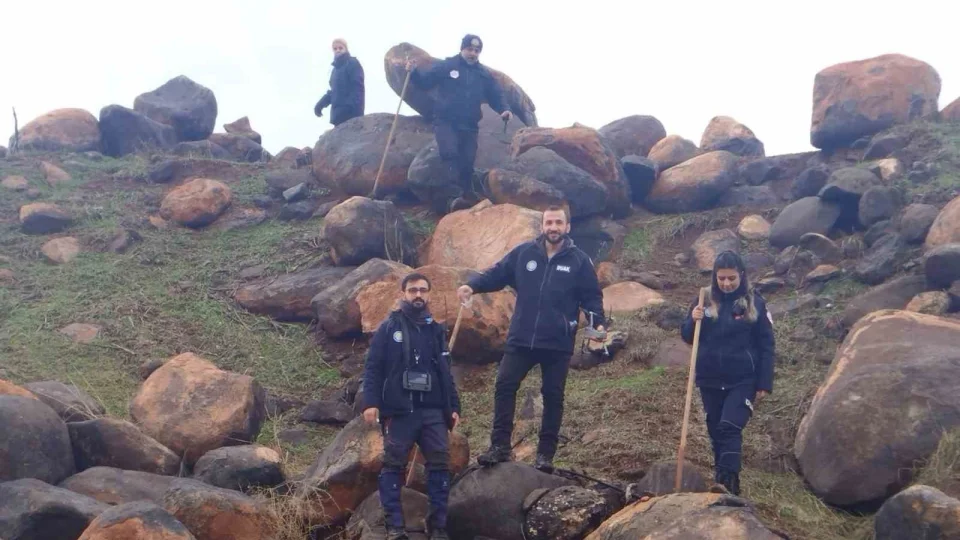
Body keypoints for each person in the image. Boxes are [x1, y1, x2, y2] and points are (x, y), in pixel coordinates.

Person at [457, 206, 606, 473]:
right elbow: (497, 273)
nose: (553, 227)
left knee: (553, 396)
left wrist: (598, 323)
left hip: (557, 342)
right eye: (549, 222)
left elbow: (591, 296)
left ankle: (545, 456)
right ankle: (500, 446)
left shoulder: (579, 260)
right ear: (542, 226)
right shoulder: (524, 253)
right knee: (504, 386)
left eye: (558, 222)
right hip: (521, 338)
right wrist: (473, 285)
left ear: (567, 227)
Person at [362, 273, 461, 540]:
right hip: (399, 410)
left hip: (433, 411)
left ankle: (438, 527)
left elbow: (445, 373)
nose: (418, 295)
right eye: (413, 290)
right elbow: (373, 368)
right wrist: (370, 402)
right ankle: (395, 527)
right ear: (403, 294)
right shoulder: (388, 327)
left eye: (423, 290)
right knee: (393, 465)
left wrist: (454, 406)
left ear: (429, 294)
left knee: (440, 465)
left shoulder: (436, 330)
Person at [680, 250, 775, 496]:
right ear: (715, 276)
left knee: (729, 427)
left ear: (741, 275)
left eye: (731, 278)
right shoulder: (703, 299)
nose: (726, 283)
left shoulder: (755, 303)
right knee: (715, 430)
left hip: (742, 379)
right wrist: (693, 320)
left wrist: (764, 382)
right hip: (710, 378)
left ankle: (729, 485)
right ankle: (720, 480)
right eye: (721, 278)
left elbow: (767, 345)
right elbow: (688, 336)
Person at [406, 34, 514, 213]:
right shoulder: (448, 65)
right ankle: (452, 198)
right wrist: (413, 73)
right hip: (446, 121)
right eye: (470, 49)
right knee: (449, 153)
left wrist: (504, 109)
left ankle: (466, 196)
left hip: (469, 124)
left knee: (468, 159)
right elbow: (425, 82)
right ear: (462, 49)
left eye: (476, 51)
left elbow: (496, 94)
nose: (473, 53)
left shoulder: (483, 74)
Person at [314, 38, 365, 126]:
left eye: (340, 48)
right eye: (335, 48)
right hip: (338, 117)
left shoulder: (352, 63)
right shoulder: (335, 70)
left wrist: (353, 109)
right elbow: (333, 92)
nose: (338, 50)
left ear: (346, 49)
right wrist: (321, 104)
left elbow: (357, 88)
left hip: (352, 114)